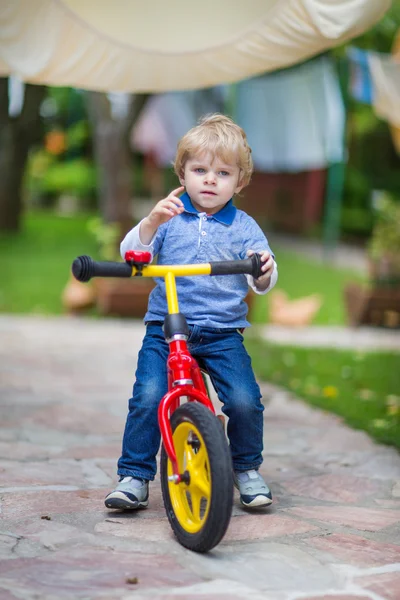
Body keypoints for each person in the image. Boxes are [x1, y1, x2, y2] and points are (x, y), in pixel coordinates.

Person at [105, 114, 278, 511]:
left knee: (244, 400)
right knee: (149, 395)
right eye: (200, 170)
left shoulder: (244, 227)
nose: (210, 180)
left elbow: (263, 276)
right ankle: (134, 474)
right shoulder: (169, 216)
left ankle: (246, 468)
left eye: (222, 172)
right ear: (182, 172)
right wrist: (150, 223)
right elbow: (134, 254)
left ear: (240, 181)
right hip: (166, 329)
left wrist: (263, 266)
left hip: (221, 332)